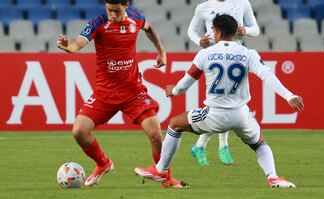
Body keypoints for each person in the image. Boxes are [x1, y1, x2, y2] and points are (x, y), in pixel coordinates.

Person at [135, 14, 304, 188]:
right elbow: (266, 76)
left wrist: (175, 90)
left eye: (213, 30)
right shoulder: (247, 53)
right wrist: (289, 96)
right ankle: (273, 177)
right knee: (260, 143)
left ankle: (161, 169)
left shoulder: (206, 54)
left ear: (218, 32)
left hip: (214, 114)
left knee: (175, 124)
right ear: (234, 32)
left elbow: (186, 83)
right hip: (241, 114)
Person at [56, 0, 184, 188]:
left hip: (133, 92)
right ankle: (103, 163)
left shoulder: (136, 17)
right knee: (79, 132)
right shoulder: (98, 23)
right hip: (104, 92)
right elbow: (77, 45)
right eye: (109, 10)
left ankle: (166, 178)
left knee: (156, 134)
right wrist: (68, 46)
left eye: (116, 11)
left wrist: (161, 51)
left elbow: (148, 27)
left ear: (125, 5)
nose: (112, 15)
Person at [187, 0, 260, 166]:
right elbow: (191, 30)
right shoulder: (203, 7)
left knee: (225, 106)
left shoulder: (242, 3)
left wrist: (246, 30)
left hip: (236, 58)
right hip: (213, 59)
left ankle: (204, 146)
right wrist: (199, 41)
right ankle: (222, 146)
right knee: (223, 105)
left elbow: (256, 29)